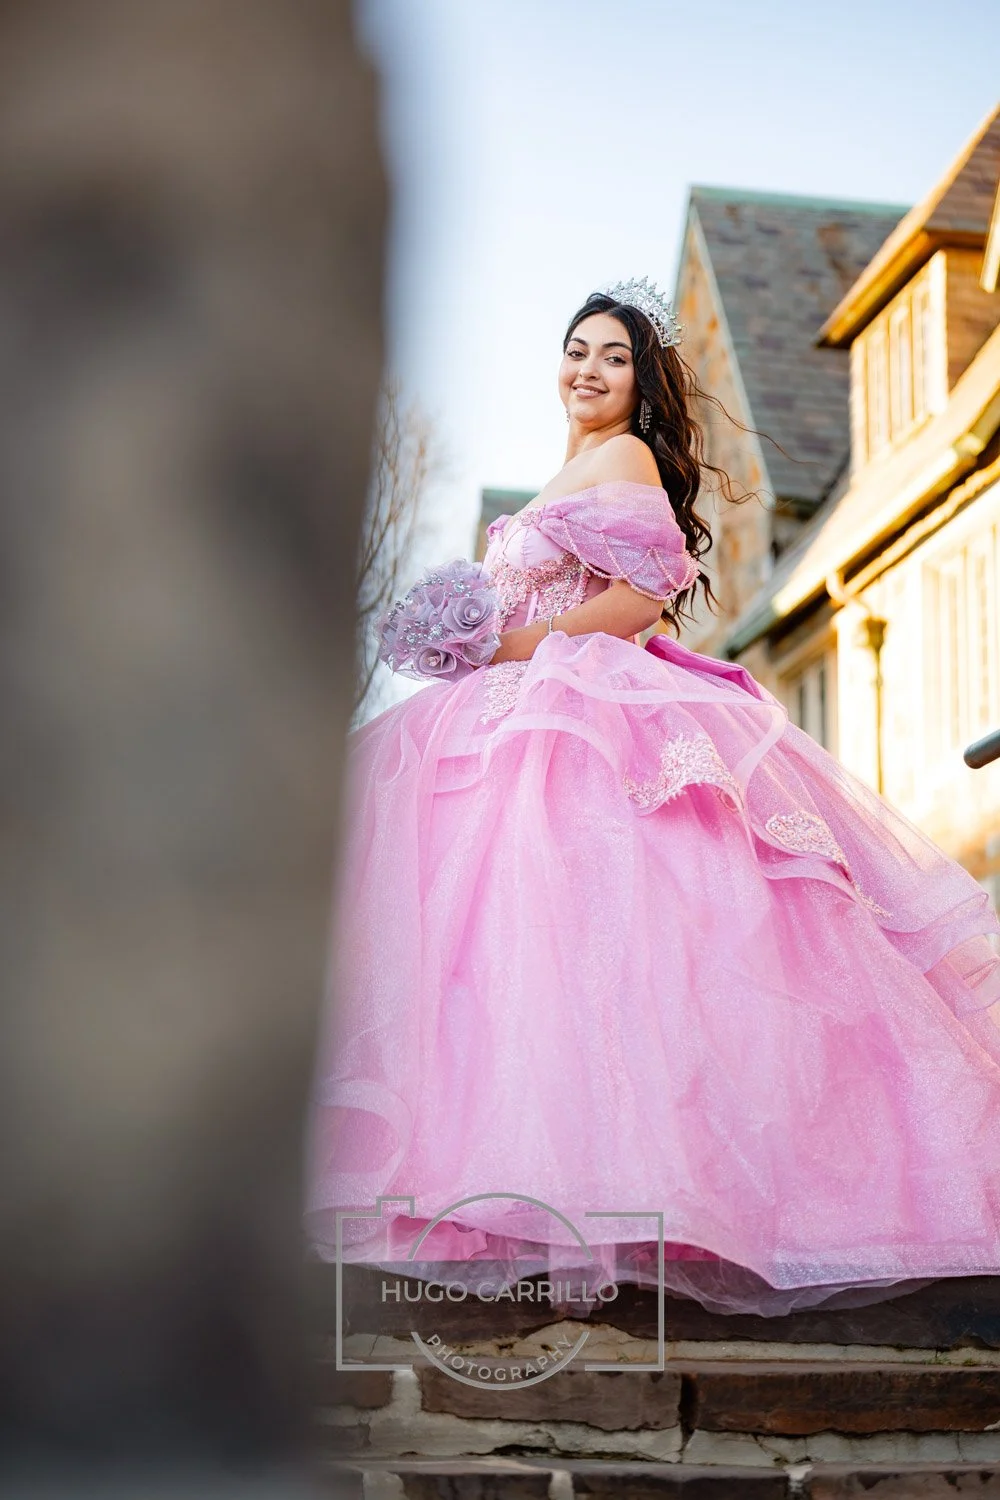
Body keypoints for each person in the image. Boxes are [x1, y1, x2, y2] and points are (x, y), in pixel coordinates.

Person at [304, 281, 1000, 1318]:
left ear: (640, 382)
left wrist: (505, 645)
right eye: (575, 349)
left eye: (612, 357)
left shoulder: (624, 458)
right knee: (504, 955)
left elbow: (641, 595)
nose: (587, 369)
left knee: (601, 947)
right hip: (510, 701)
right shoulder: (566, 468)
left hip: (573, 703)